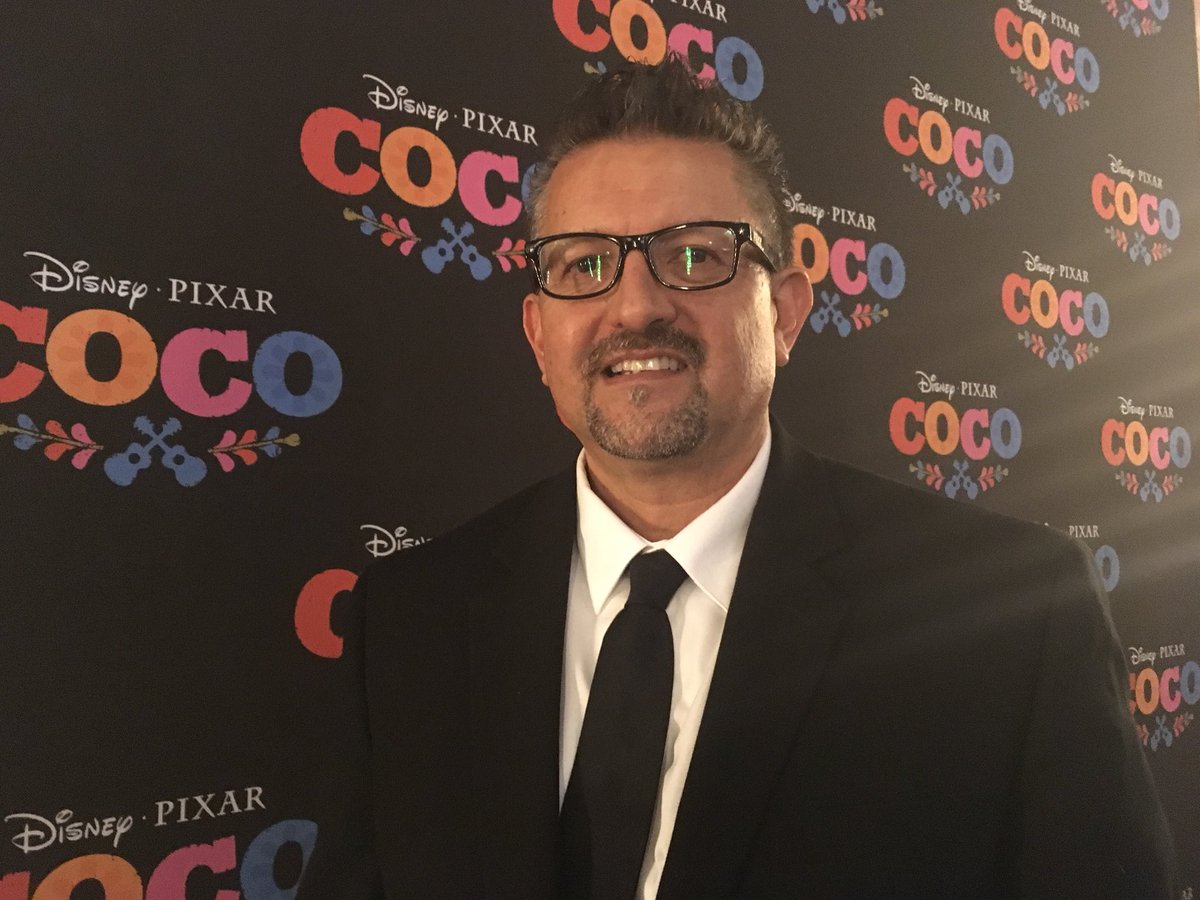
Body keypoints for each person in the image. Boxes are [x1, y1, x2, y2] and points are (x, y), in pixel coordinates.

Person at [298, 56, 1176, 899]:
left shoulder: (1013, 621)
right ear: (538, 335)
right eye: (584, 264)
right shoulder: (407, 625)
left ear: (785, 313)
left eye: (694, 256)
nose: (635, 306)